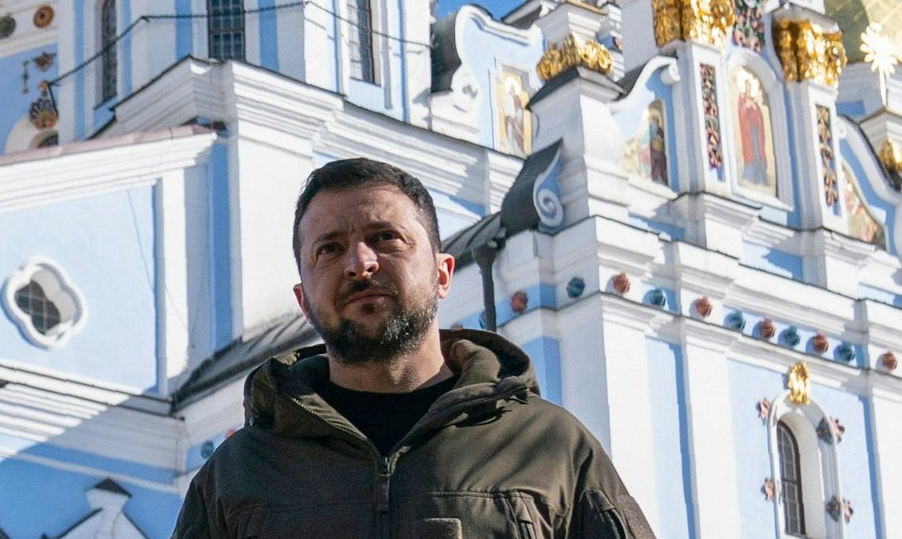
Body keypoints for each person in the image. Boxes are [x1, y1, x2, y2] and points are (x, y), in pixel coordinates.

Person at [173, 157, 654, 538]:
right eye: (329, 249)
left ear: (442, 274)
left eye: (386, 238)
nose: (359, 263)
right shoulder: (238, 474)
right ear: (304, 301)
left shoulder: (551, 446)